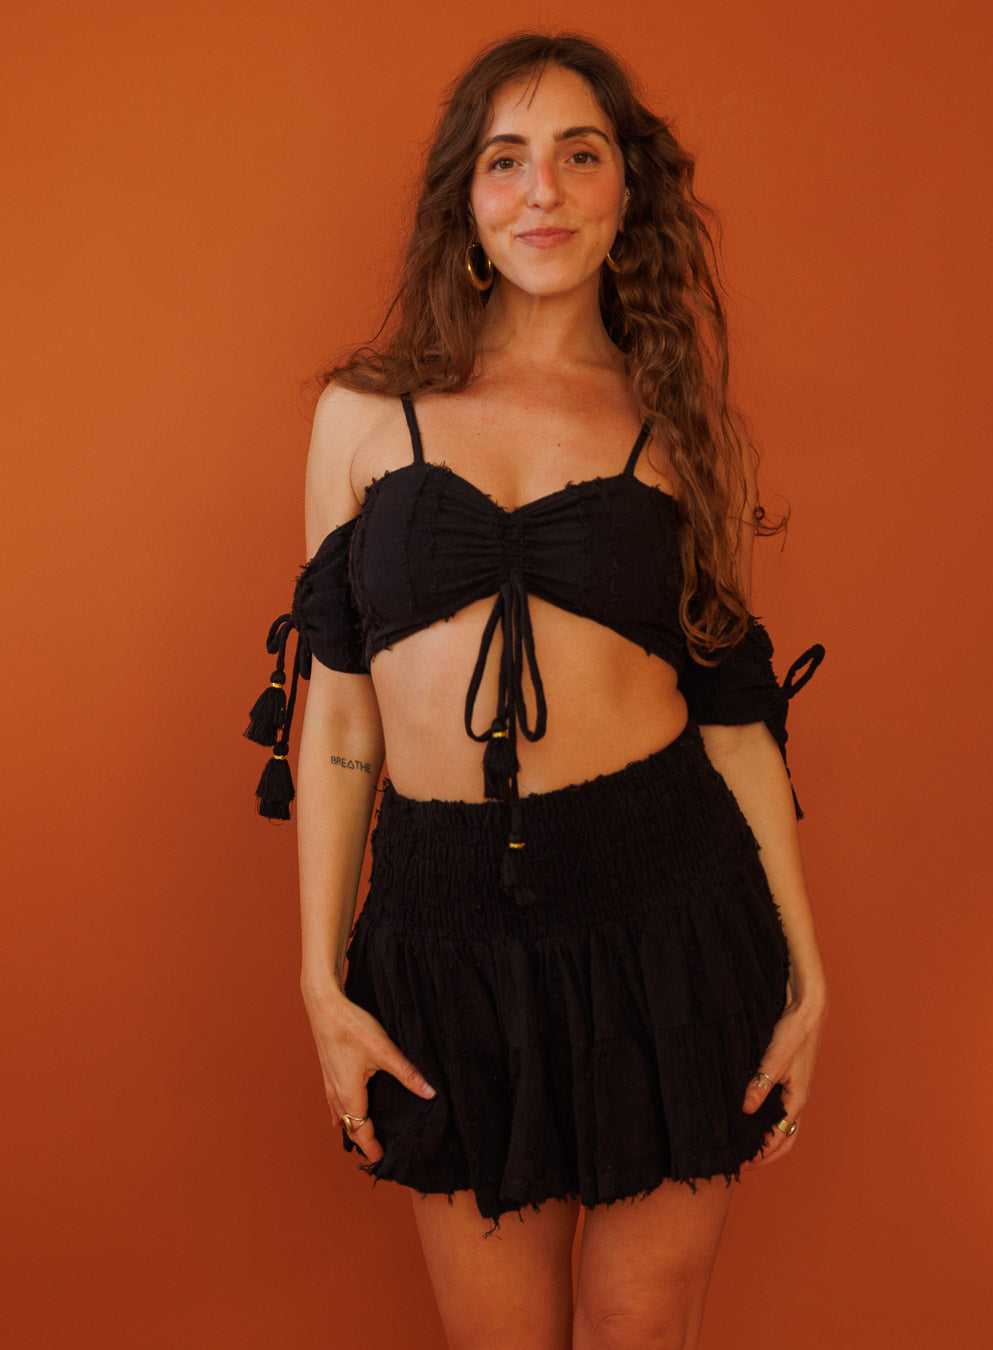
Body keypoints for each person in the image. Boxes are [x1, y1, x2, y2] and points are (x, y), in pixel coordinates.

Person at [245, 31, 826, 1350]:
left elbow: (737, 722)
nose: (543, 191)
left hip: (666, 908)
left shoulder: (680, 429)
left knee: (639, 1327)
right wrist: (321, 982)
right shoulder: (359, 417)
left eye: (579, 155)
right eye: (506, 161)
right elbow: (339, 713)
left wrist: (808, 975)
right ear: (466, 200)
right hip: (441, 924)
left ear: (627, 194)